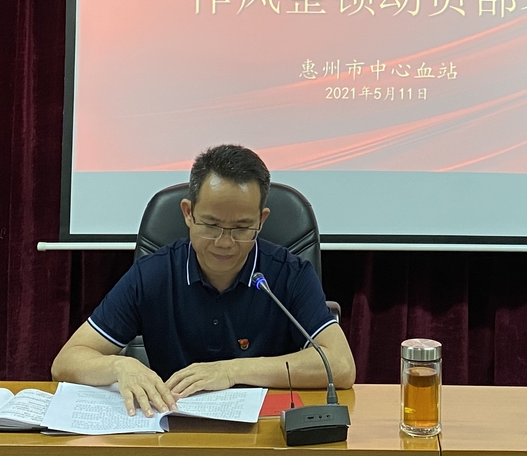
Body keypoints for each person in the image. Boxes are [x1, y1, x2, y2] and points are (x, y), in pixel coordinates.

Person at [52, 144, 356, 417]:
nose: (224, 242)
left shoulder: (289, 274)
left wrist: (231, 371)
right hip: (173, 431)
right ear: (188, 213)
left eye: (241, 228)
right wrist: (120, 366)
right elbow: (66, 361)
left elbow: (341, 366)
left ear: (261, 220)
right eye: (211, 225)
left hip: (267, 435)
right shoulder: (153, 275)